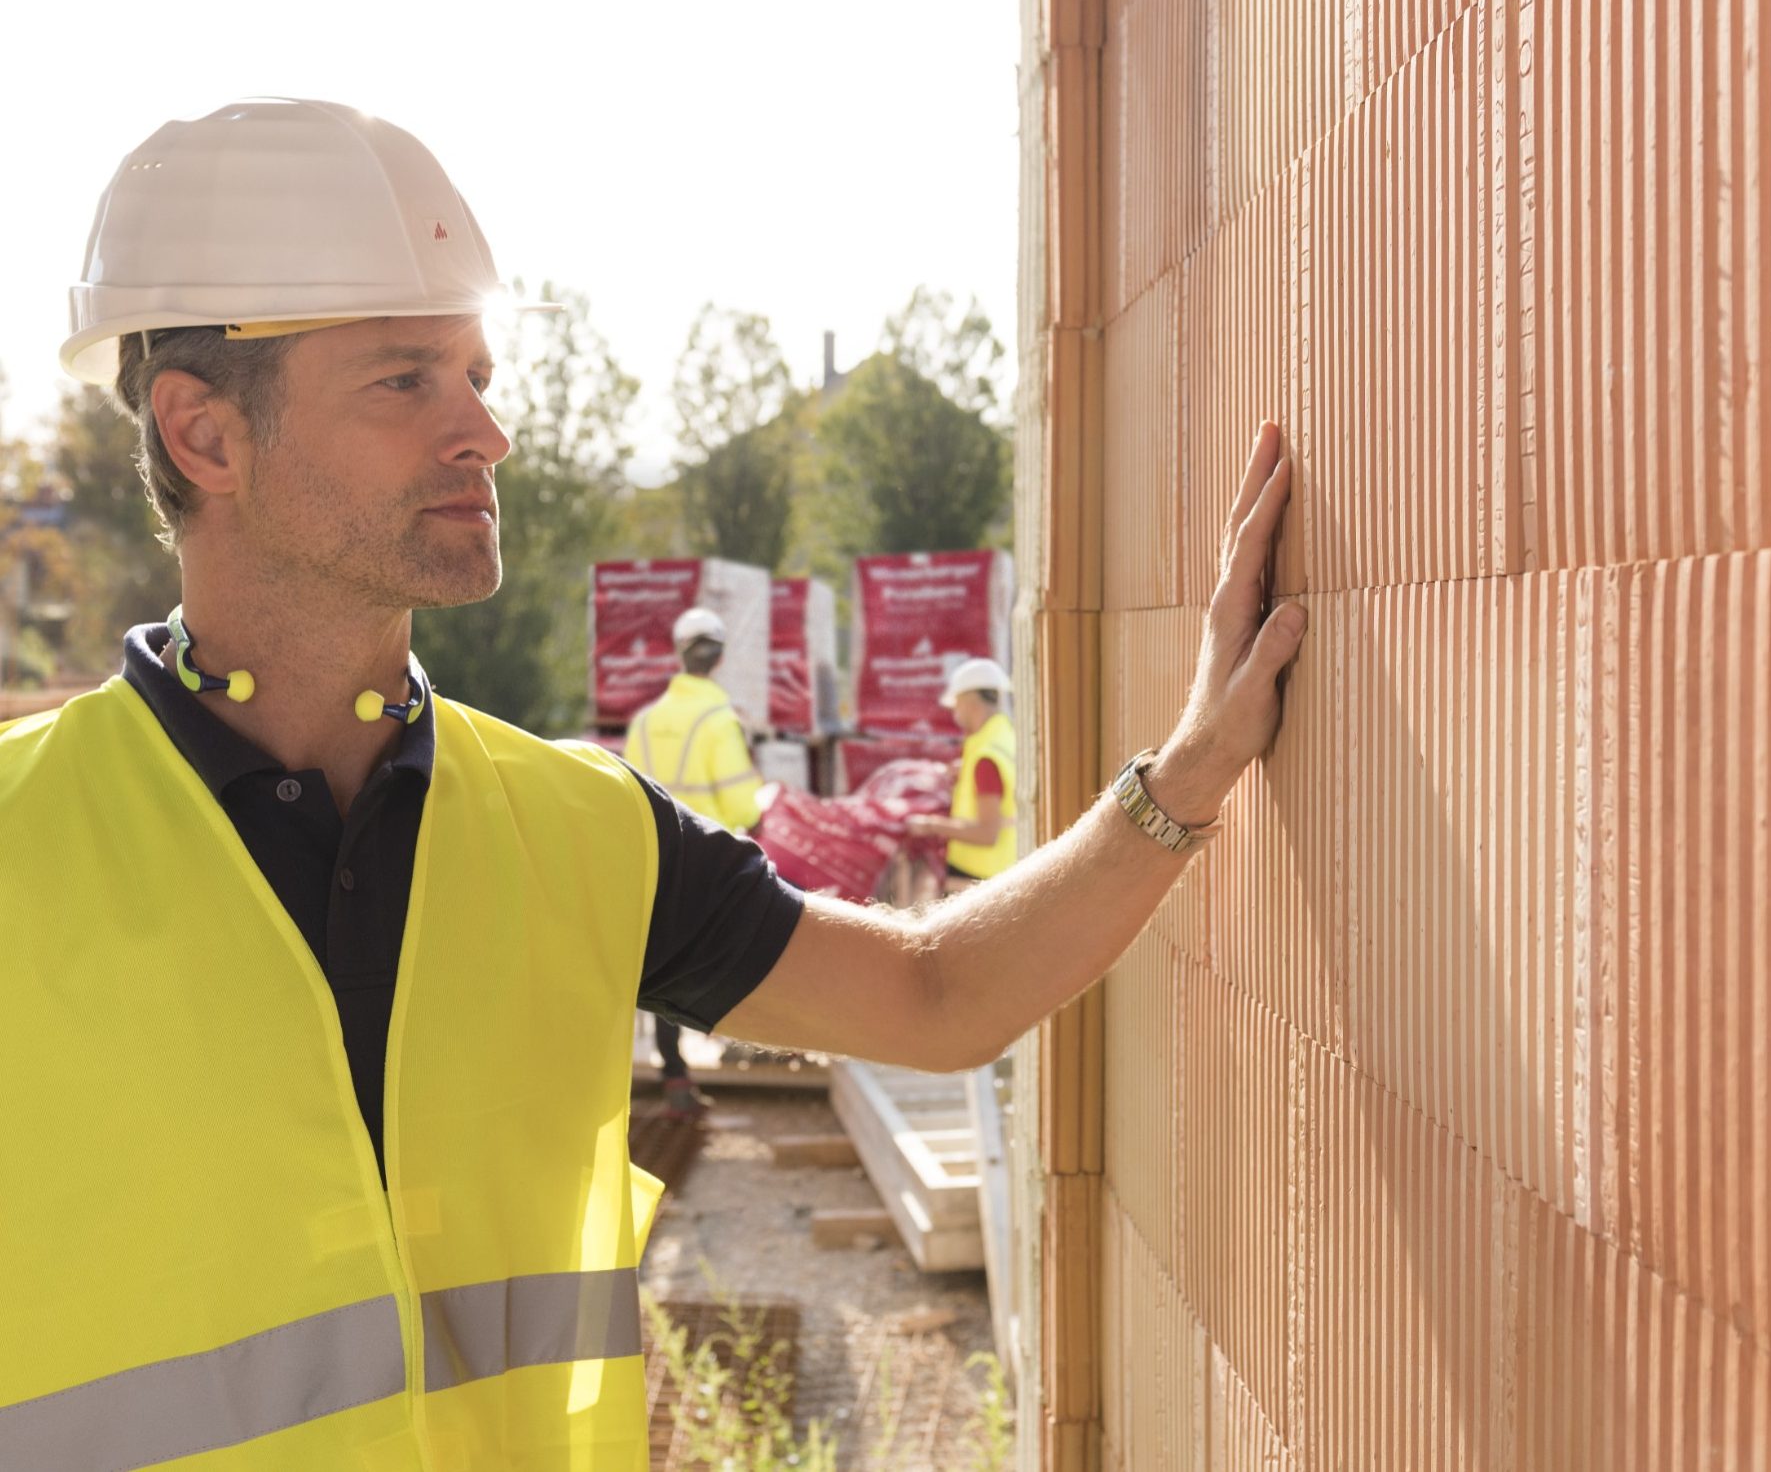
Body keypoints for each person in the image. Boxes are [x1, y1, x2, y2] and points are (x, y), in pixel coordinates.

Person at [0, 98, 1305, 1468]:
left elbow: (936, 995)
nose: (484, 435)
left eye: (477, 378)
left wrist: (1187, 774)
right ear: (205, 436)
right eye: (405, 383)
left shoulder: (571, 829)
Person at [624, 604, 762, 1114]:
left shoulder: (645, 721)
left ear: (678, 654)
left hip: (654, 859)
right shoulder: (718, 720)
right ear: (720, 658)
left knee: (660, 965)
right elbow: (743, 805)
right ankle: (736, 1042)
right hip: (711, 863)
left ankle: (675, 1074)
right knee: (723, 954)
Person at [905, 656, 1018, 890]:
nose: (954, 712)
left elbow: (987, 833)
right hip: (1001, 871)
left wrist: (930, 825)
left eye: (956, 704)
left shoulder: (985, 758)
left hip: (978, 878)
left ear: (971, 704)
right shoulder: (1003, 738)